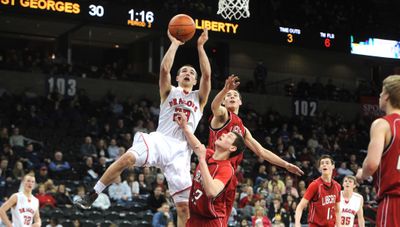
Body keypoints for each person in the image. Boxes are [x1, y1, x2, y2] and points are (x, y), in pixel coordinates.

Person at [75, 28, 211, 227]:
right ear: (177, 78)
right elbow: (164, 70)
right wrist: (174, 43)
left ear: (195, 80)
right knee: (127, 158)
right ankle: (93, 193)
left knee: (184, 208)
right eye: (184, 71)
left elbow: (207, 75)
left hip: (181, 151)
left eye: (192, 72)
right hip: (160, 140)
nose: (188, 73)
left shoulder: (199, 98)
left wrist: (200, 47)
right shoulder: (168, 92)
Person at [208, 75, 303, 221]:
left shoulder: (243, 129)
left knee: (223, 220)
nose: (231, 96)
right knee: (208, 217)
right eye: (228, 95)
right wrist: (225, 89)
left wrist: (286, 165)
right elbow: (214, 107)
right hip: (214, 171)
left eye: (235, 94)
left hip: (229, 175)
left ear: (240, 101)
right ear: (224, 101)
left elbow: (262, 152)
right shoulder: (222, 115)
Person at [175, 112, 246, 226]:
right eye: (226, 133)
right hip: (194, 218)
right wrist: (184, 127)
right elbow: (197, 145)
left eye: (229, 136)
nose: (224, 135)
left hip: (211, 221)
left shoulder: (226, 169)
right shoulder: (208, 154)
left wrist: (202, 160)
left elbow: (211, 191)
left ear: (232, 148)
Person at [356, 75, 400, 227]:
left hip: (393, 200)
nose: (380, 95)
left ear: (387, 95)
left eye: (382, 91)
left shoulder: (383, 124)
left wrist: (362, 174)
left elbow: (372, 164)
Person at [295, 155, 341, 227]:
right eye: (322, 163)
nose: (324, 164)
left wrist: (339, 225)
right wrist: (297, 224)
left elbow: (337, 210)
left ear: (333, 166)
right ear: (320, 168)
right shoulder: (315, 185)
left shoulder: (337, 186)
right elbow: (300, 207)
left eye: (327, 163)